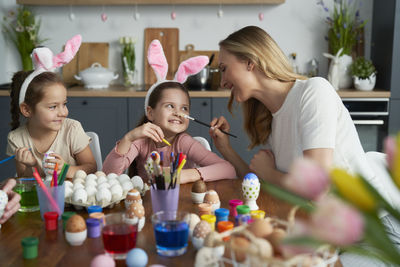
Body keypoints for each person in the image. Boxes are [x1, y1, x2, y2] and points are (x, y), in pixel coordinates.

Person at [210, 25, 399, 267]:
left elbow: (316, 189)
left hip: (374, 234)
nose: (223, 81)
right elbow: (263, 185)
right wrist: (226, 148)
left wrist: (269, 173)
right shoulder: (272, 118)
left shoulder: (313, 93)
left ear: (250, 61)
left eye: (224, 69)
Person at [102, 39, 236, 183]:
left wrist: (180, 176)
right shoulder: (141, 142)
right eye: (170, 106)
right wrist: (128, 138)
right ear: (150, 113)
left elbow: (229, 169)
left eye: (184, 108)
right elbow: (108, 174)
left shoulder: (184, 143)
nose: (178, 113)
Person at [7, 35, 97, 179]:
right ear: (27, 110)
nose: (63, 112)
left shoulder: (72, 129)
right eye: (53, 107)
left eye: (64, 104)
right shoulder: (17, 139)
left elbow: (92, 167)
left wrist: (66, 170)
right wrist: (32, 166)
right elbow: (25, 180)